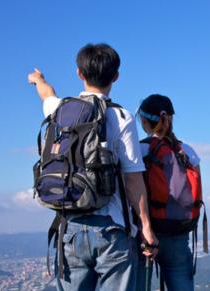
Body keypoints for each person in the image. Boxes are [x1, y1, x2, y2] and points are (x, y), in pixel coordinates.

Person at [27, 43, 158, 291]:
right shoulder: (121, 117)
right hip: (111, 228)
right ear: (116, 77)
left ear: (79, 73)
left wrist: (38, 79)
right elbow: (133, 179)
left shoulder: (59, 109)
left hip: (70, 227)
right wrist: (147, 227)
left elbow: (47, 94)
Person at [135, 94, 205, 291]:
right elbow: (196, 193)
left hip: (145, 237)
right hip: (178, 232)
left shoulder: (139, 150)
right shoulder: (187, 151)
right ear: (171, 118)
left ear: (143, 121)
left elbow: (132, 189)